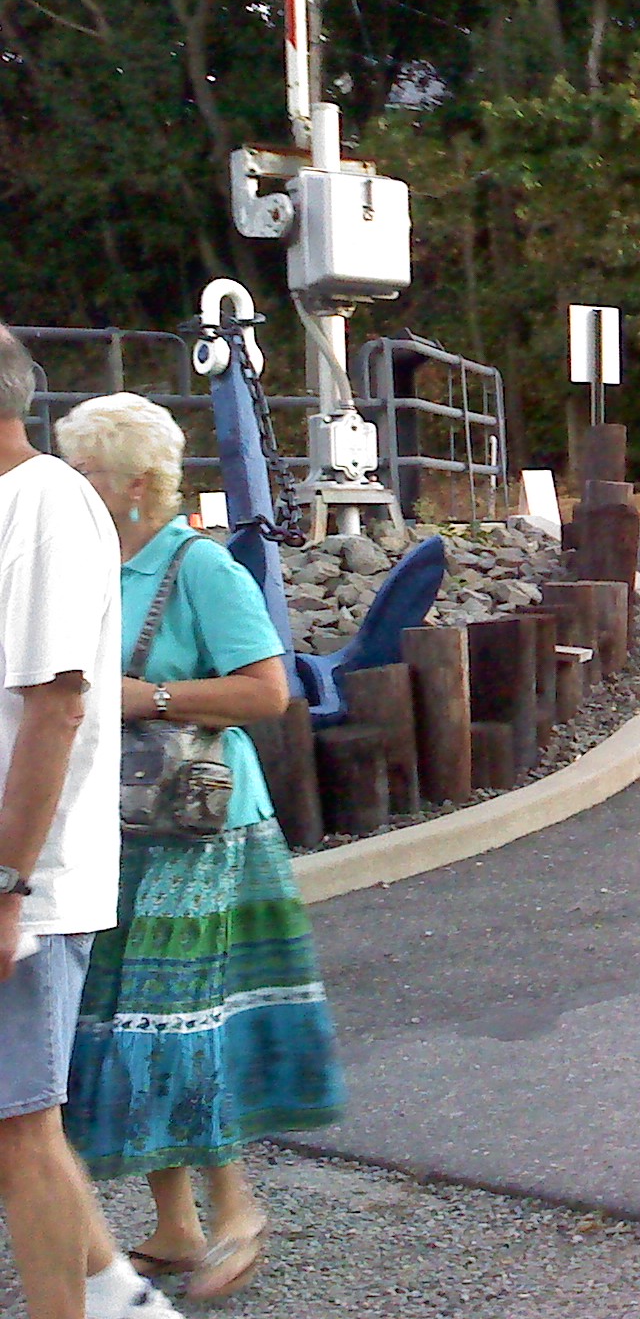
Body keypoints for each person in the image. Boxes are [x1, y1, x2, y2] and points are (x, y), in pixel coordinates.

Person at [54, 393, 344, 1305]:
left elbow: (269, 692)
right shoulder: (87, 563)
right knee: (130, 1022)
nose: (73, 487)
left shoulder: (201, 566)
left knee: (173, 1022)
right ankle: (177, 1226)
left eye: (86, 472)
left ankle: (236, 1209)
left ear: (137, 483)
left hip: (199, 832)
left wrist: (150, 698)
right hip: (114, 828)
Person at [0, 332, 185, 1319]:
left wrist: (7, 885)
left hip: (28, 879)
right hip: (19, 877)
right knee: (14, 1124)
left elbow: (57, 706)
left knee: (20, 1127)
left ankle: (95, 1302)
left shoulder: (43, 505)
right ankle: (116, 1293)